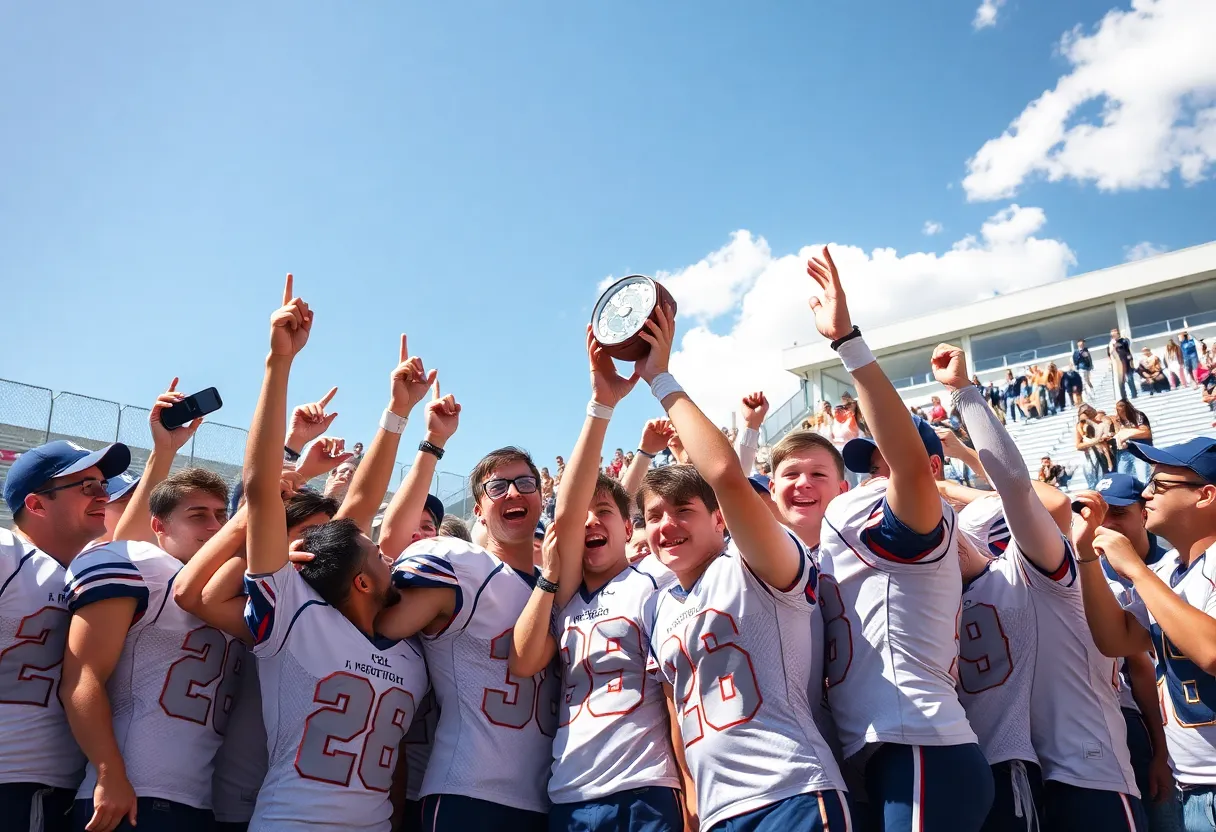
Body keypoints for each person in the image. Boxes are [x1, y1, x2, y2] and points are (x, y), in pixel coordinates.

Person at [633, 297, 851, 831]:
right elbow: (680, 716)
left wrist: (661, 379)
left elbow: (727, 474)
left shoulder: (754, 563)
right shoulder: (661, 605)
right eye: (655, 515)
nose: (667, 526)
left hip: (793, 791)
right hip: (716, 812)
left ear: (720, 521)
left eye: (684, 511)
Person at [808, 250, 993, 830]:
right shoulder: (859, 510)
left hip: (921, 745)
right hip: (896, 748)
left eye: (889, 456)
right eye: (870, 461)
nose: (875, 469)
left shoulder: (914, 503)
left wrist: (847, 342)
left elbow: (911, 472)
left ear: (929, 464)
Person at [241, 276, 431, 830]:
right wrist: (279, 365)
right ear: (362, 582)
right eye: (376, 550)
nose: (388, 553)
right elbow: (258, 490)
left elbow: (363, 502)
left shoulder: (409, 651)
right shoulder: (294, 620)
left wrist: (398, 411)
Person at [933, 347, 1144, 832]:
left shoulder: (1029, 566)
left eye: (956, 531)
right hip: (1016, 773)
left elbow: (1024, 492)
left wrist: (964, 394)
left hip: (1089, 768)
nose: (949, 542)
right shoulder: (935, 598)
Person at [509, 328, 684, 831]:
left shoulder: (655, 581)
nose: (589, 521)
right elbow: (522, 660)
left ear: (629, 529)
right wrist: (599, 405)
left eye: (603, 511)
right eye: (581, 514)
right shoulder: (562, 593)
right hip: (570, 792)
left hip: (647, 787)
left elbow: (674, 696)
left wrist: (688, 789)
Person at [378, 433, 560, 830]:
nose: (513, 492)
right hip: (469, 791)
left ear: (541, 498)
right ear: (479, 509)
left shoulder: (554, 585)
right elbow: (377, 627)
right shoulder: (461, 565)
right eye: (498, 486)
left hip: (547, 798)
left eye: (525, 483)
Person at [1072, 437, 1216, 830]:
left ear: (1205, 495)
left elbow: (1212, 651)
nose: (1147, 493)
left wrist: (1135, 569)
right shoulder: (1169, 568)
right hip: (1192, 783)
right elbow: (1116, 639)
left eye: (1160, 485)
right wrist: (1085, 555)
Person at [0, 440, 131, 832]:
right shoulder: (7, 551)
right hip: (12, 780)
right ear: (37, 505)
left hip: (54, 786)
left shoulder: (86, 571)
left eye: (103, 486)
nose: (103, 495)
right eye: (87, 487)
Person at [1087, 475, 1184, 832]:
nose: (1106, 523)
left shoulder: (1177, 563)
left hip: (1190, 724)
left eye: (1118, 512)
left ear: (1144, 513)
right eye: (1098, 513)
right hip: (1132, 727)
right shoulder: (1089, 574)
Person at [1113, 400, 1153, 482]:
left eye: (1121, 410)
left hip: (1140, 451)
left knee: (1143, 479)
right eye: (1117, 410)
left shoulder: (1138, 416)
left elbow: (1146, 433)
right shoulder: (1118, 419)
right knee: (1122, 479)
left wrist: (1128, 434)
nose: (1119, 413)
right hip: (1127, 451)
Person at [1110, 329, 1139, 401]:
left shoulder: (1123, 341)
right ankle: (1123, 396)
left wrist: (1131, 361)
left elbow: (1128, 351)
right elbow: (1111, 353)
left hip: (1126, 361)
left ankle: (1134, 394)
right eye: (1112, 335)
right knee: (1121, 381)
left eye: (1115, 334)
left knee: (1129, 378)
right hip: (1118, 363)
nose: (1114, 336)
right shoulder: (1111, 344)